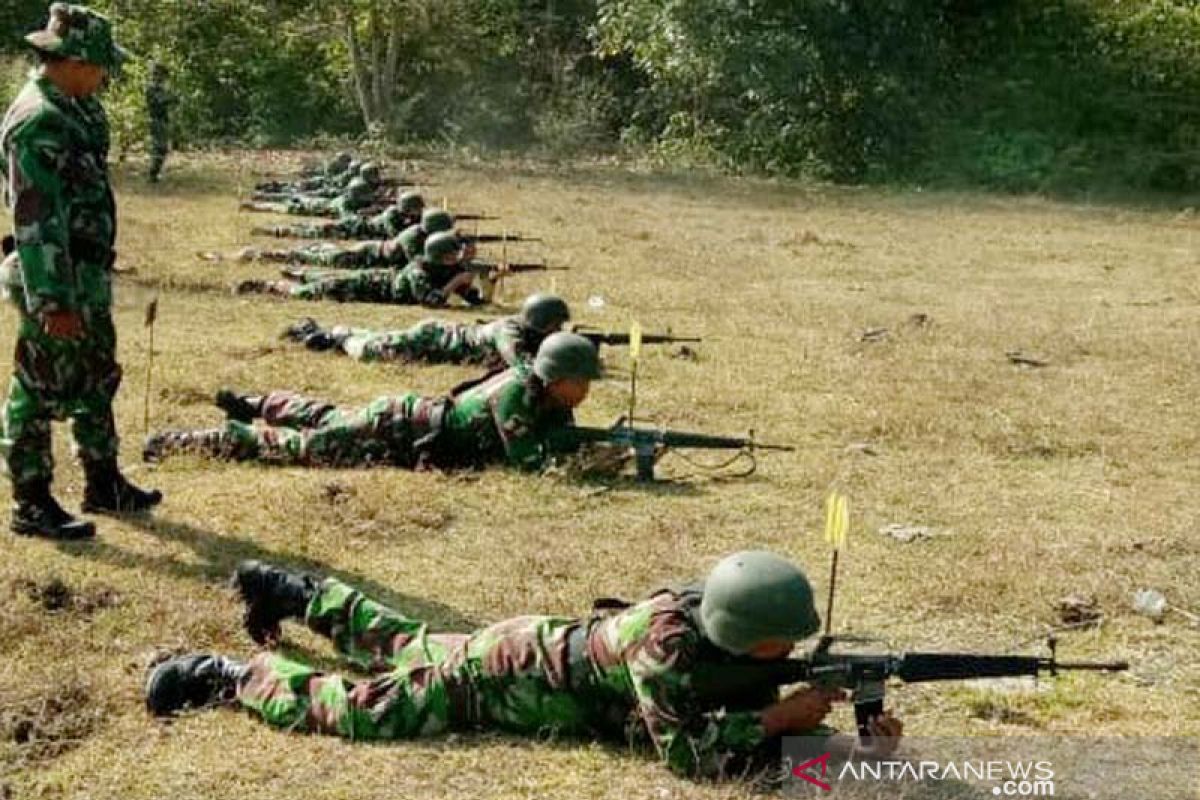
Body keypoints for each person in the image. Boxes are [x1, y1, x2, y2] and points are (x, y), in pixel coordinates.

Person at [144, 550, 904, 779]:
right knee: (366, 709)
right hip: (497, 683)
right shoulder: (665, 650)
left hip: (527, 645)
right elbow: (689, 754)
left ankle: (292, 592)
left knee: (409, 641)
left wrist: (851, 737)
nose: (792, 654)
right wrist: (785, 716)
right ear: (745, 633)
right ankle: (227, 676)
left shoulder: (714, 612)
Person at [0, 3, 162, 540]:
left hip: (85, 273)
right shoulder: (37, 121)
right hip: (52, 277)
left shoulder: (79, 107)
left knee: (95, 373)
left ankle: (102, 479)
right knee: (37, 385)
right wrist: (54, 301)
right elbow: (35, 219)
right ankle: (31, 501)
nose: (104, 75)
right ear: (70, 60)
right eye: (99, 65)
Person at [142, 331, 601, 471]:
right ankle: (188, 440)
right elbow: (527, 461)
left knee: (326, 417)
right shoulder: (518, 394)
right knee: (307, 447)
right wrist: (588, 457)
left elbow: (556, 433)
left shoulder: (542, 389)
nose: (586, 391)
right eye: (583, 382)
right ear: (559, 378)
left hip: (405, 419)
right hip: (402, 429)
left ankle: (257, 400)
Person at [282, 292, 571, 369]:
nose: (558, 330)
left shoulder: (523, 328)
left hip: (441, 333)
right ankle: (337, 337)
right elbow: (520, 363)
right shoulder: (508, 332)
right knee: (372, 352)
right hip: (435, 341)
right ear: (540, 322)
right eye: (555, 326)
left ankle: (337, 330)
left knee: (382, 339)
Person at [232, 230, 483, 308]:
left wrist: (486, 283)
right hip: (368, 286)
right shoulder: (418, 270)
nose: (457, 259)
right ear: (440, 257)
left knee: (320, 284)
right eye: (453, 255)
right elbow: (433, 302)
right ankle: (266, 286)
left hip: (373, 286)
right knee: (309, 294)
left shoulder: (445, 270)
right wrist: (457, 280)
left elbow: (475, 301)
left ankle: (298, 275)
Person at [249, 189, 425, 240]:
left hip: (356, 226)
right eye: (417, 209)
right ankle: (270, 231)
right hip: (352, 228)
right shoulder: (392, 215)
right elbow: (395, 236)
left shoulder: (402, 215)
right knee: (309, 231)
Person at [144, 61, 173, 182]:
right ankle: (153, 174)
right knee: (159, 147)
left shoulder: (159, 89)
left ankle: (154, 174)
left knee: (162, 148)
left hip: (161, 120)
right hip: (156, 120)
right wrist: (170, 97)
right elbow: (160, 101)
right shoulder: (152, 89)